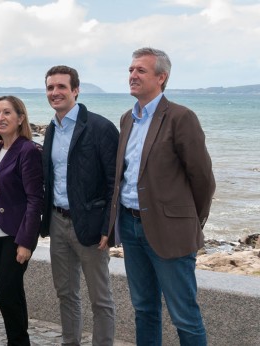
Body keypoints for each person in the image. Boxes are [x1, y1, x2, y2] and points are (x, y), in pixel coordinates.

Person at [108, 47, 216, 345]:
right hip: (130, 228)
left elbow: (203, 178)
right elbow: (126, 176)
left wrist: (190, 220)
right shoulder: (126, 119)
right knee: (144, 309)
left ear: (161, 77)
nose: (132, 75)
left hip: (170, 231)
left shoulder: (181, 117)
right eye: (131, 70)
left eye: (140, 70)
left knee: (185, 316)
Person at [40, 65, 118, 345]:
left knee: (101, 299)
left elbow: (114, 183)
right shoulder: (51, 129)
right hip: (57, 222)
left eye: (61, 87)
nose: (55, 92)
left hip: (90, 226)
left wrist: (109, 227)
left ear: (76, 90)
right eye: (50, 87)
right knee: (66, 294)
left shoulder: (100, 128)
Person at [0, 95, 43, 346]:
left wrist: (26, 242)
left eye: (7, 113)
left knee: (5, 292)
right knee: (13, 291)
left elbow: (35, 199)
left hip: (18, 233)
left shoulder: (27, 150)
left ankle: (18, 341)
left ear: (20, 118)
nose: (0, 118)